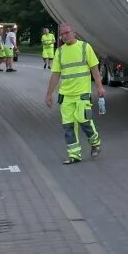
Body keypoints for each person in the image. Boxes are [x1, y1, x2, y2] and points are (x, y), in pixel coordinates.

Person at [44, 23, 105, 164]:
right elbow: (55, 75)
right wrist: (49, 94)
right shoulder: (59, 51)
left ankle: (95, 143)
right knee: (68, 126)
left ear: (73, 32)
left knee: (84, 121)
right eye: (62, 34)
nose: (64, 36)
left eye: (67, 33)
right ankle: (74, 155)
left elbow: (94, 69)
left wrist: (99, 87)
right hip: (65, 96)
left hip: (82, 94)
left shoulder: (85, 47)